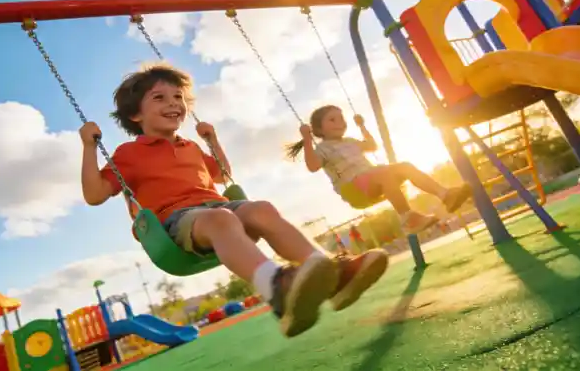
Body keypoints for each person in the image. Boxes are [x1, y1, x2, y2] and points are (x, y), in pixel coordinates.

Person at [79, 64, 388, 338]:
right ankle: (276, 288)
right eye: (159, 98)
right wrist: (89, 148)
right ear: (136, 115)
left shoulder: (189, 147)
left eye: (178, 97)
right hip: (176, 222)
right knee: (223, 219)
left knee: (262, 209)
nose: (173, 103)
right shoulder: (128, 154)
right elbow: (95, 195)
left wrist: (212, 142)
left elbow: (222, 174)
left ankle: (334, 276)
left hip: (217, 207)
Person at [287, 105, 473, 234]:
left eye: (342, 119)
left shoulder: (350, 142)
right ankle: (408, 218)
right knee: (383, 172)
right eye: (332, 120)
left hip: (373, 181)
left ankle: (445, 195)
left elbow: (372, 146)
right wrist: (307, 140)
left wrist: (362, 126)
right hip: (353, 189)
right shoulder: (322, 148)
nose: (340, 122)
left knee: (405, 167)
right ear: (319, 129)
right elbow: (313, 166)